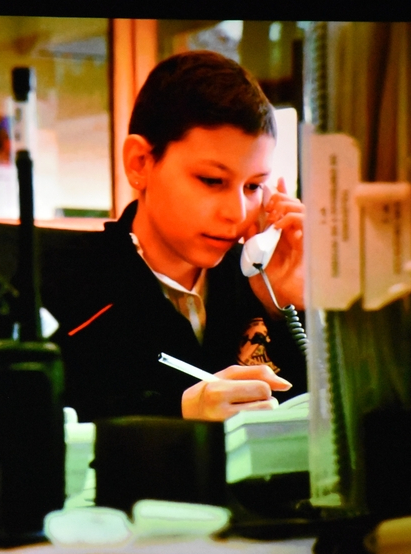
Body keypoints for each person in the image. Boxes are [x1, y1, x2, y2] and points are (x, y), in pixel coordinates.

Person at [42, 50, 307, 423]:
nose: (237, 211)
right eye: (212, 181)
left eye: (253, 186)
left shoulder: (259, 277)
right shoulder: (61, 287)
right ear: (140, 164)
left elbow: (326, 434)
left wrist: (286, 311)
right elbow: (24, 424)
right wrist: (179, 414)